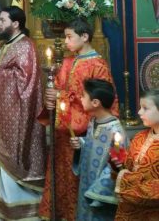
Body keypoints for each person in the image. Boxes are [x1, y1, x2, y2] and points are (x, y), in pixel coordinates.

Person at [39, 18, 119, 221]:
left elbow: (99, 100)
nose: (65, 41)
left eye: (69, 37)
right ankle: (61, 213)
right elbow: (59, 89)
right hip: (63, 130)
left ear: (84, 36)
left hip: (83, 133)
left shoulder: (98, 65)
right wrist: (52, 98)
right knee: (61, 174)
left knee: (78, 176)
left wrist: (60, 97)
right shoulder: (68, 62)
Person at [0, 6, 46, 219]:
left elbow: (25, 82)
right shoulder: (5, 45)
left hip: (18, 115)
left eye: (2, 20)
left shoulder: (25, 46)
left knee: (12, 152)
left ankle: (18, 202)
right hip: (2, 111)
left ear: (16, 24)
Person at [70, 78, 124, 220]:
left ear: (95, 103)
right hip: (86, 182)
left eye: (83, 95)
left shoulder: (115, 130)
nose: (81, 98)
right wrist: (80, 144)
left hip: (99, 193)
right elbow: (92, 144)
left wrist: (97, 192)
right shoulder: (93, 121)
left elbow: (117, 166)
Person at [112, 89, 159, 220]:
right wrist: (117, 162)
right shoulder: (139, 137)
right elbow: (127, 168)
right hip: (129, 210)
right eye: (140, 107)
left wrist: (126, 182)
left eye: (145, 108)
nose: (139, 112)